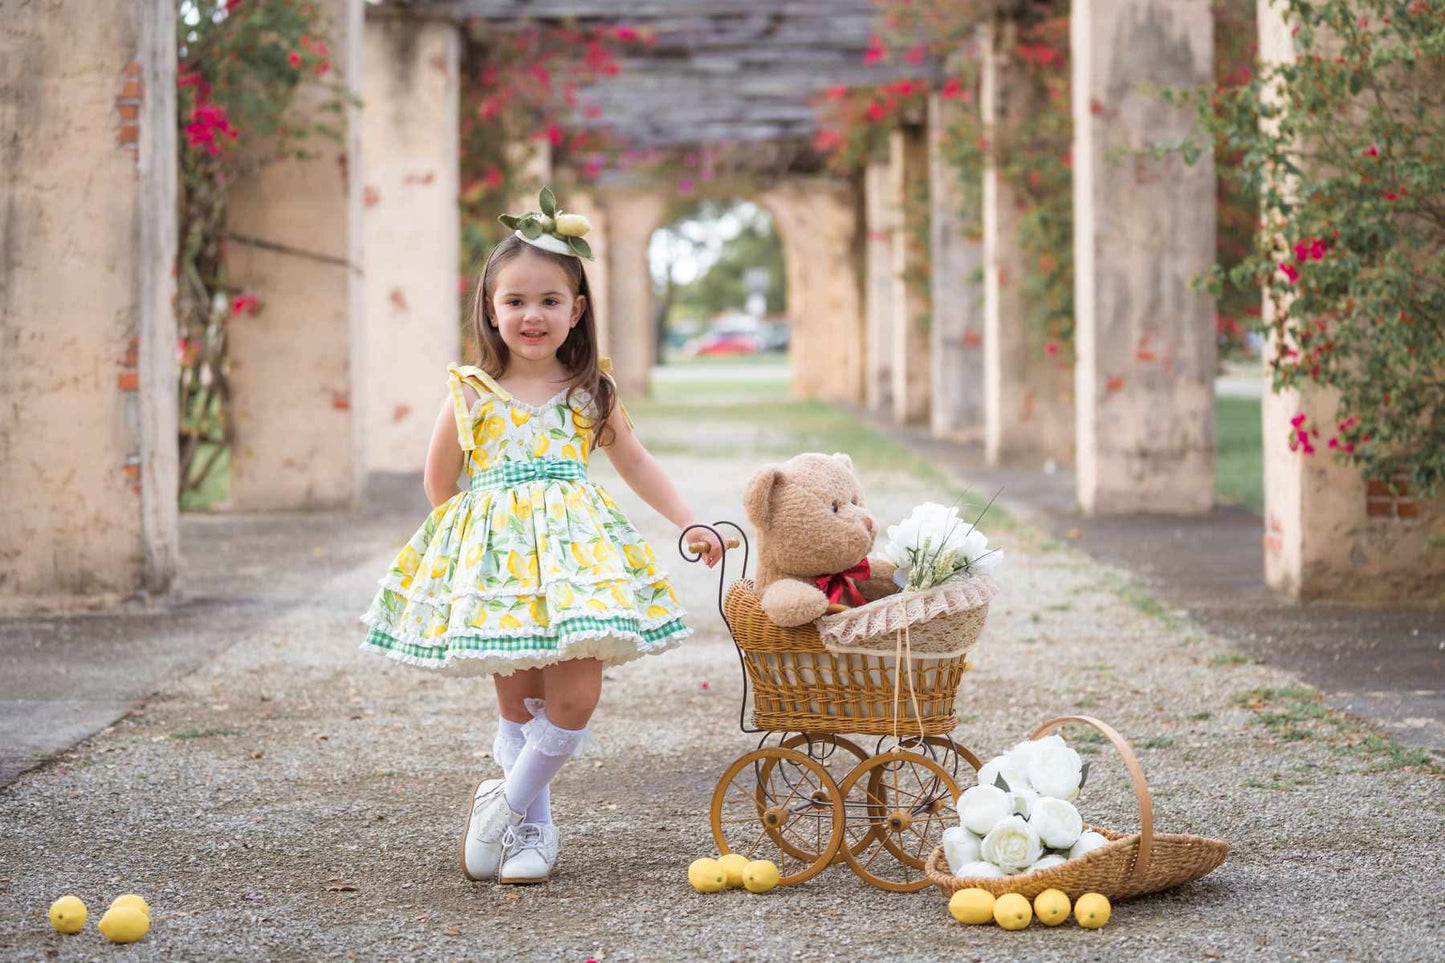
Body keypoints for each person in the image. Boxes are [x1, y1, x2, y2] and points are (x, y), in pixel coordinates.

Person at [360, 187, 723, 884]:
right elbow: (441, 487)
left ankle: (501, 803)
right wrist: (478, 551)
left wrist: (690, 521)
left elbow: (636, 464)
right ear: (491, 311)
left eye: (550, 301)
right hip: (502, 572)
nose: (532, 315)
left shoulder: (592, 392)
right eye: (516, 301)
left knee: (575, 697)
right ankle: (535, 834)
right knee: (519, 706)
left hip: (577, 566)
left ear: (576, 311)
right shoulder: (469, 393)